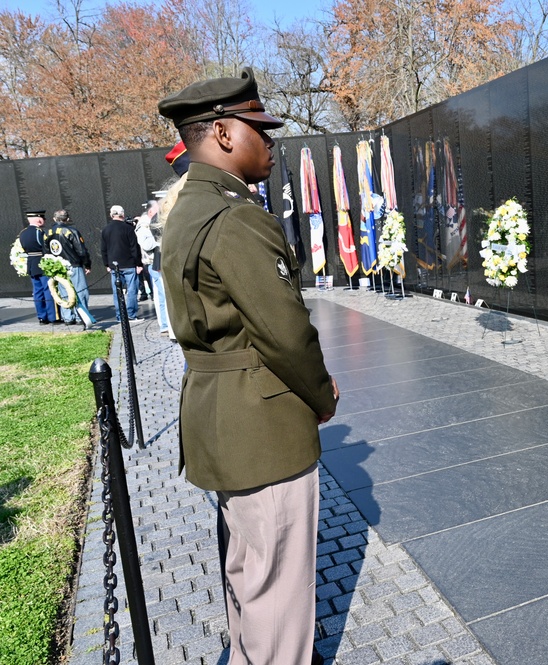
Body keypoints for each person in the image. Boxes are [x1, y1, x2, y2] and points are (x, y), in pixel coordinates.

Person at [158, 67, 339, 665]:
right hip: (262, 425)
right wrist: (322, 396)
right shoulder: (235, 217)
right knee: (278, 592)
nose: (270, 140)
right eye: (259, 128)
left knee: (249, 573)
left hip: (221, 416)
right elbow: (285, 332)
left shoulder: (194, 206)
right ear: (224, 133)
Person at [45, 209, 96, 327]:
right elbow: (81, 250)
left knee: (64, 292)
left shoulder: (47, 233)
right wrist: (87, 264)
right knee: (80, 291)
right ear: (67, 219)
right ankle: (80, 316)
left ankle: (68, 317)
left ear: (54, 219)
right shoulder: (71, 231)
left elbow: (46, 251)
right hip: (73, 265)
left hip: (58, 267)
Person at [100, 204, 143, 321]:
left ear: (111, 214)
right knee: (132, 291)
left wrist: (107, 264)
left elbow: (103, 249)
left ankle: (120, 316)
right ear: (122, 214)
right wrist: (139, 264)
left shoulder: (106, 230)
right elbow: (135, 248)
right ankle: (131, 315)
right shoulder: (128, 229)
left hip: (114, 266)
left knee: (117, 292)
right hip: (129, 264)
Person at [135, 200, 170, 335]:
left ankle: (165, 323)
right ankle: (165, 324)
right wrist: (160, 239)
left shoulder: (148, 224)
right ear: (151, 212)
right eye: (157, 211)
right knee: (162, 295)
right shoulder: (144, 226)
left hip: (155, 262)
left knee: (161, 294)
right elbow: (147, 245)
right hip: (153, 263)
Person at [19, 210, 57, 325]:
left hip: (31, 264)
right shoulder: (39, 232)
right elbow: (44, 247)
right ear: (39, 220)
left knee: (37, 291)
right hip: (42, 263)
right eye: (43, 218)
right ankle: (52, 316)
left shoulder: (23, 233)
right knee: (48, 289)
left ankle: (41, 317)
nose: (44, 221)